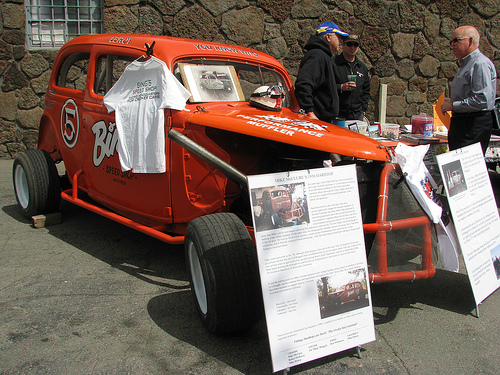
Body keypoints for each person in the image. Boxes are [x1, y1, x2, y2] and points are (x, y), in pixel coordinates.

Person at [440, 25, 497, 155]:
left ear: (470, 41)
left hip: (473, 125)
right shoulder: (466, 64)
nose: (452, 44)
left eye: (456, 40)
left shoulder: (479, 64)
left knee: (468, 167)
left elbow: (482, 99)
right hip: (463, 124)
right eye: (451, 41)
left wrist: (453, 106)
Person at [295, 22, 348, 123]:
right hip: (316, 121)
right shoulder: (318, 56)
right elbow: (303, 84)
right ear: (328, 37)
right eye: (339, 37)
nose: (341, 41)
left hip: (322, 120)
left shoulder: (322, 56)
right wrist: (309, 112)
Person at [333, 34, 370, 121]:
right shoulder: (333, 64)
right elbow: (325, 86)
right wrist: (341, 87)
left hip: (357, 115)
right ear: (343, 45)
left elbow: (366, 90)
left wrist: (363, 109)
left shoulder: (362, 67)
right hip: (338, 115)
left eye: (355, 45)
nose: (352, 48)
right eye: (349, 44)